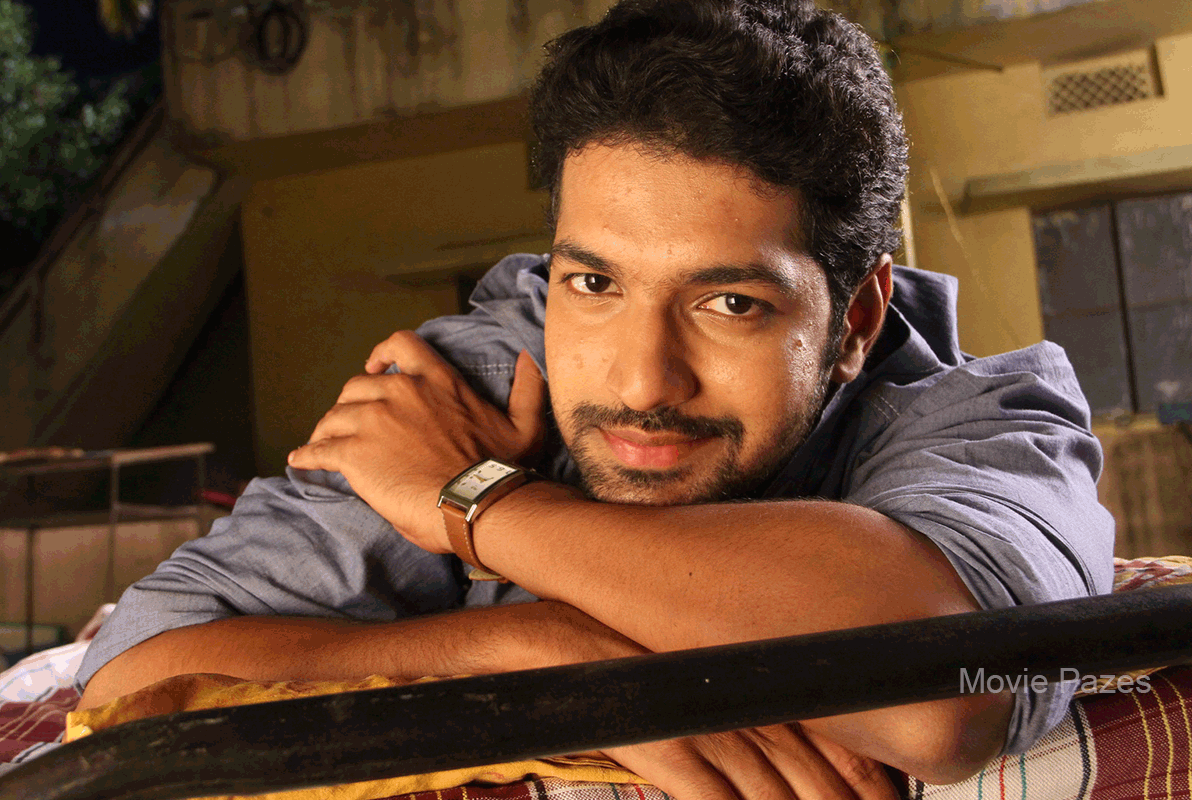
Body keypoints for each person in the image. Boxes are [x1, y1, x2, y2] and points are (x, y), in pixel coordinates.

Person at [74, 0, 1114, 793]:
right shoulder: (488, 374)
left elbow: (941, 698)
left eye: (730, 302)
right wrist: (527, 650)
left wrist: (485, 505)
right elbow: (135, 674)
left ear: (854, 319)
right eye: (595, 283)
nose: (641, 380)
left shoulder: (986, 418)